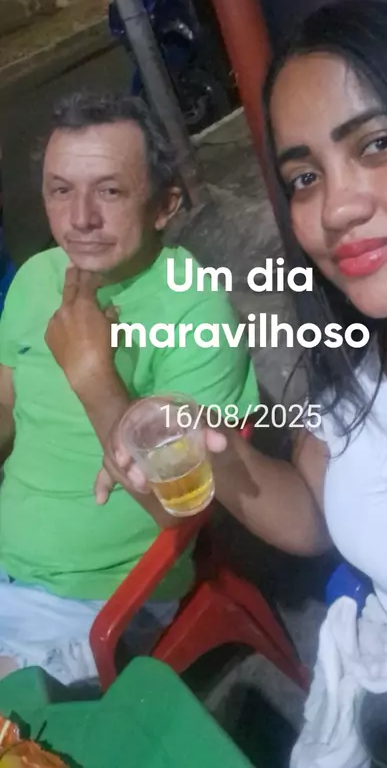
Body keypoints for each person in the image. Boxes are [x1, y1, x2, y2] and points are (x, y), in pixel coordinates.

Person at [108, 0, 387, 766]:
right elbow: (315, 512)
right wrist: (212, 448)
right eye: (304, 177)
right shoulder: (362, 348)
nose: (335, 209)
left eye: (379, 143)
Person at [0, 91, 258, 686]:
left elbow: (184, 509)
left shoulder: (195, 310)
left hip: (99, 603)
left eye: (110, 192)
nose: (80, 218)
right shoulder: (36, 277)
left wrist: (94, 378)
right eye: (60, 190)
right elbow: (7, 406)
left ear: (165, 205)